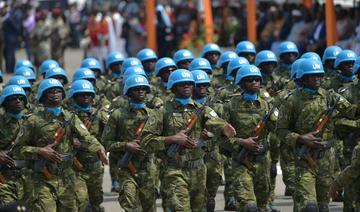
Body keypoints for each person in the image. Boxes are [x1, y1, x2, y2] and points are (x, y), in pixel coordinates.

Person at [140, 69, 236, 212]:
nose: (186, 87)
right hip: (174, 170)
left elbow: (215, 122)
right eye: (181, 84)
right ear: (173, 87)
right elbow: (146, 141)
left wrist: (222, 129)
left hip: (198, 170)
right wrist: (172, 138)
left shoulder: (202, 109)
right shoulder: (162, 111)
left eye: (189, 84)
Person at [14, 78, 108, 211]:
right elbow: (17, 150)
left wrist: (99, 149)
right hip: (42, 178)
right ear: (43, 95)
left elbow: (87, 137)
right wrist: (40, 151)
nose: (55, 94)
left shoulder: (70, 118)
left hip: (67, 177)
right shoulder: (33, 120)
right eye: (51, 91)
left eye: (58, 91)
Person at [277, 59, 357, 211]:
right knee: (308, 205)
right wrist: (300, 138)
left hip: (326, 158)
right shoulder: (291, 100)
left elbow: (352, 112)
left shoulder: (330, 97)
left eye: (319, 75)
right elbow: (280, 130)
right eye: (312, 76)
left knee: (323, 205)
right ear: (303, 78)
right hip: (304, 159)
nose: (317, 79)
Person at [221, 65, 275, 211]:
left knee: (262, 205)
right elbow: (220, 139)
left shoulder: (268, 106)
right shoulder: (230, 106)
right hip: (241, 160)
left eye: (257, 79)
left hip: (262, 161)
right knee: (248, 205)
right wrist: (241, 142)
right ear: (241, 83)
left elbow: (280, 130)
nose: (254, 82)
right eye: (249, 80)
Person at [103, 75, 157, 211]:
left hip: (148, 168)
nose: (140, 91)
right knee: (130, 203)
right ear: (129, 92)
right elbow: (106, 143)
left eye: (143, 89)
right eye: (136, 89)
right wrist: (125, 145)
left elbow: (163, 140)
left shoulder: (155, 115)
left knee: (148, 207)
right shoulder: (118, 115)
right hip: (126, 167)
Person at [69, 80, 107, 212]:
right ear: (74, 97)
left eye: (88, 94)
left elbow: (109, 135)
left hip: (95, 164)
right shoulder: (68, 116)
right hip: (75, 165)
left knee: (96, 201)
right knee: (82, 201)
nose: (86, 97)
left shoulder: (100, 114)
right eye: (81, 94)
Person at [0, 85, 30, 206]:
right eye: (13, 98)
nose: (18, 101)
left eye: (21, 98)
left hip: (29, 175)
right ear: (5, 102)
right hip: (5, 177)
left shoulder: (32, 120)